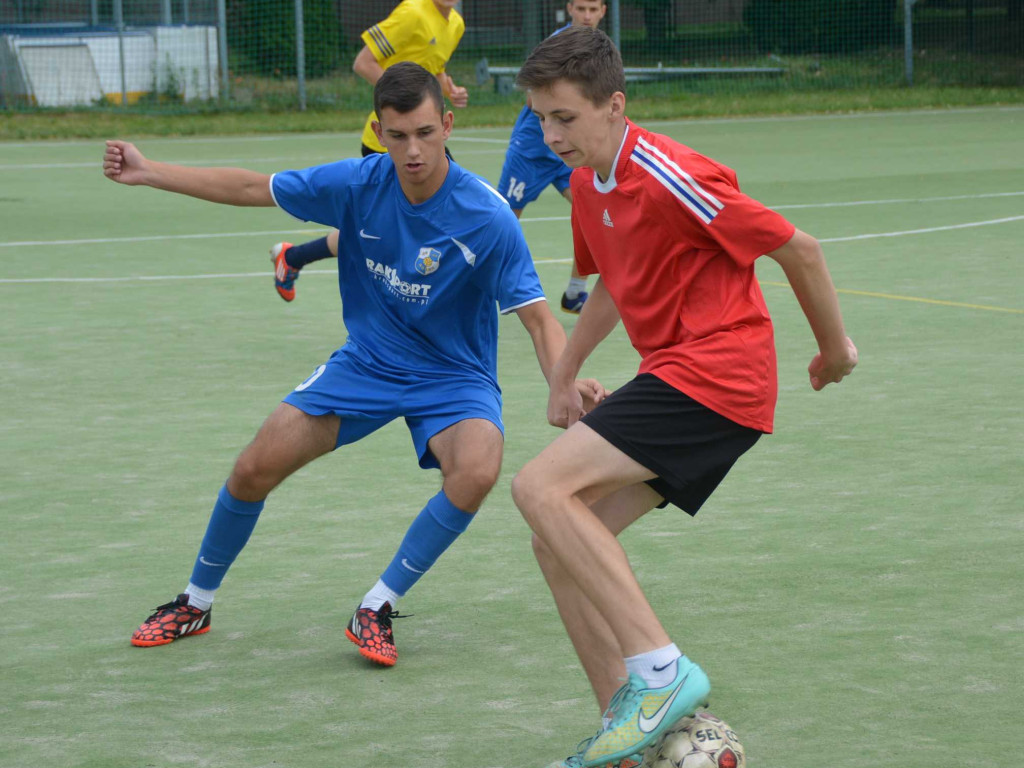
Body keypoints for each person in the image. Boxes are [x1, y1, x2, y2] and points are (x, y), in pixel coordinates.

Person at [103, 62, 604, 667]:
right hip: (368, 363)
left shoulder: (487, 216)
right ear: (378, 130)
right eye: (397, 136)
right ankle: (195, 601)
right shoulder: (357, 184)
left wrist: (565, 383)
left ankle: (378, 606)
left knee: (476, 470)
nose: (412, 150)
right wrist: (149, 171)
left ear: (447, 124)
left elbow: (539, 319)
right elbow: (249, 188)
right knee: (252, 469)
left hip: (453, 377)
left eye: (424, 132)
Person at [508, 26, 859, 768]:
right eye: (540, 117)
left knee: (539, 487)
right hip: (680, 375)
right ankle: (627, 734)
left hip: (718, 373)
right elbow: (614, 278)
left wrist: (834, 350)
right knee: (557, 541)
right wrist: (565, 374)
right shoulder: (582, 184)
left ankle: (660, 672)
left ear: (614, 105)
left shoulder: (670, 172)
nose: (550, 134)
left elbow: (799, 248)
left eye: (565, 117)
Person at [270, 0, 470, 303]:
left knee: (394, 226)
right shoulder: (412, 13)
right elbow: (363, 63)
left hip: (423, 140)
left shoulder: (456, 24)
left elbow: (434, 67)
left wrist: (448, 89)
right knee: (400, 226)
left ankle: (294, 256)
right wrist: (407, 104)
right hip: (389, 144)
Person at [498, 0, 606, 315]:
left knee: (594, 213)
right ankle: (484, 285)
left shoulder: (601, 51)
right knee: (502, 222)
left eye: (593, 9)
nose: (587, 16)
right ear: (570, 8)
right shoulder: (557, 46)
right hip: (532, 150)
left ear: (603, 12)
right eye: (581, 8)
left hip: (569, 153)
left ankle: (575, 293)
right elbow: (533, 97)